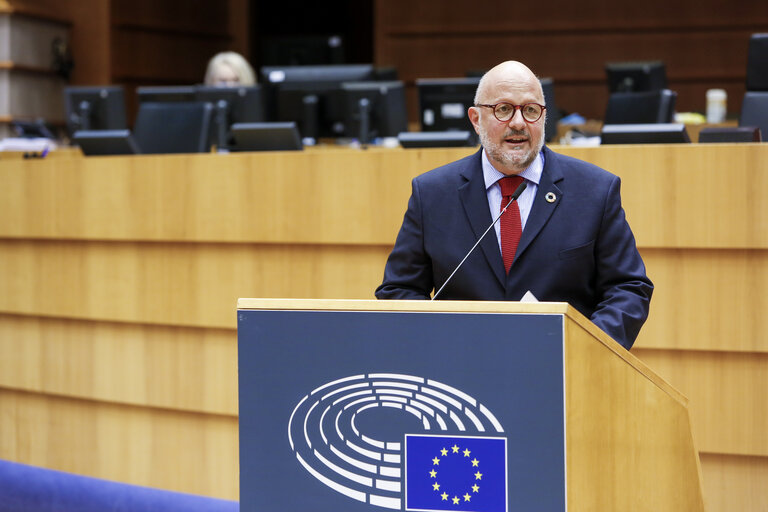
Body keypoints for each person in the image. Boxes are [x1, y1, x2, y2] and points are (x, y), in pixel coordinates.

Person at [375, 60, 653, 350]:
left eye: (531, 110)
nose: (518, 123)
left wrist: (586, 350)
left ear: (544, 118)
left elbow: (628, 288)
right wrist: (444, 344)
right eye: (503, 109)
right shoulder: (432, 194)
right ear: (475, 118)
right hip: (460, 372)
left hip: (564, 372)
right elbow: (399, 290)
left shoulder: (595, 190)